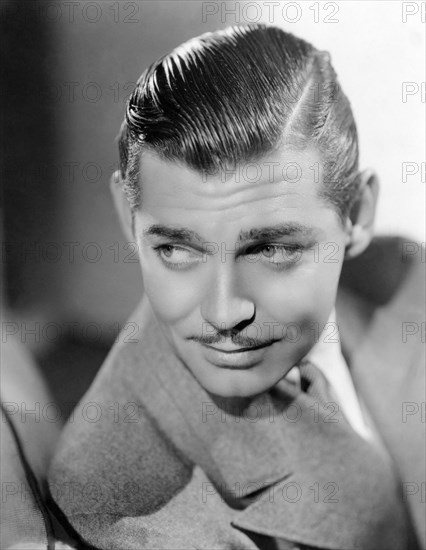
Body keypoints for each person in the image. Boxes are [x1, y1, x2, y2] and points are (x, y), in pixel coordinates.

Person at [48, 24, 425, 550]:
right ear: (126, 217)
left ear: (356, 214)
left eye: (272, 249)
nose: (223, 312)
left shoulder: (403, 279)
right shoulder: (129, 505)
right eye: (177, 249)